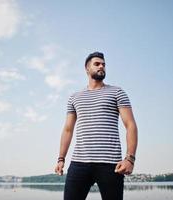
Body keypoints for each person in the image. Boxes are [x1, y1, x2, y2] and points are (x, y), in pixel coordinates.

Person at [54, 52, 138, 200]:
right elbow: (68, 129)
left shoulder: (117, 92)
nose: (102, 67)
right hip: (79, 163)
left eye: (104, 64)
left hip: (110, 164)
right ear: (87, 68)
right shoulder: (74, 97)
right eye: (97, 64)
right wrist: (61, 159)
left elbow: (130, 125)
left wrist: (130, 159)